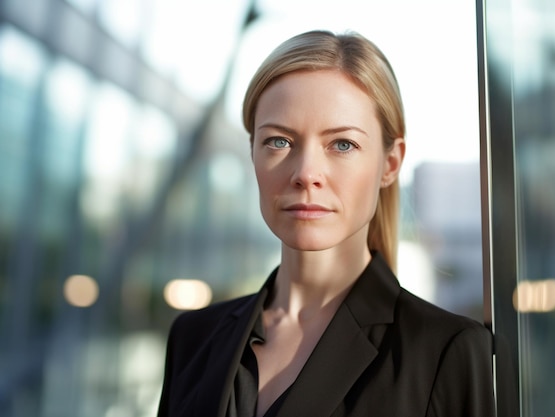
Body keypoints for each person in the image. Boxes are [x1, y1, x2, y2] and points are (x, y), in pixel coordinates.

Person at [157, 30, 496, 417]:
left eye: (342, 144)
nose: (306, 173)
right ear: (252, 151)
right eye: (279, 141)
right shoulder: (193, 339)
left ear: (390, 164)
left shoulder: (446, 351)